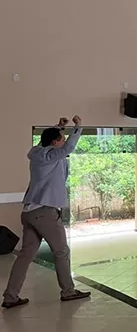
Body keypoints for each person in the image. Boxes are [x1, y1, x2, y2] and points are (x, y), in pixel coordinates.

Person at [2, 116, 91, 308]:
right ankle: (68, 291)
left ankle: (10, 296)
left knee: (25, 255)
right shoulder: (50, 155)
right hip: (44, 212)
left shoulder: (37, 152)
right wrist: (78, 127)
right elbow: (68, 148)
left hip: (29, 212)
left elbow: (49, 142)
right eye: (61, 137)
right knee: (61, 251)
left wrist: (58, 127)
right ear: (55, 143)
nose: (63, 140)